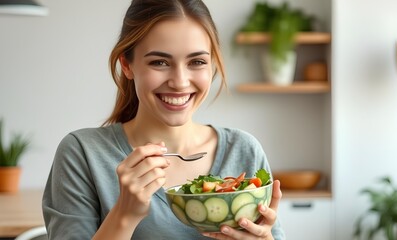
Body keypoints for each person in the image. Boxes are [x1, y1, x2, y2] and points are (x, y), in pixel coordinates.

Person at [42, 0, 285, 239]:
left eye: (197, 62)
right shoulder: (83, 153)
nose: (180, 81)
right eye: (159, 62)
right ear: (127, 65)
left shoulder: (243, 150)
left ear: (211, 65)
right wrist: (125, 215)